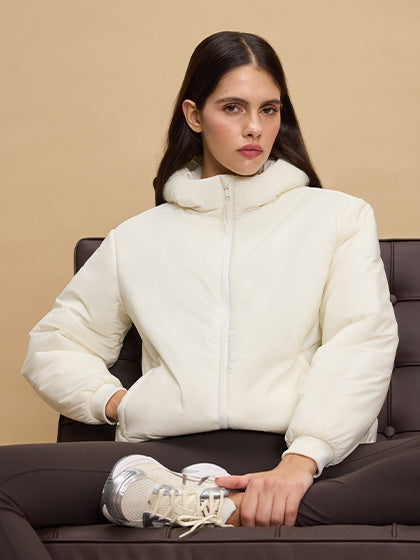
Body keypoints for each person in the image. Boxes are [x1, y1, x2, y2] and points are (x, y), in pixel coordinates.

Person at [2, 30, 416, 559]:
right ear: (194, 115)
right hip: (164, 459)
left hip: (297, 455)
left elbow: (361, 341)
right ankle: (201, 499)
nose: (254, 127)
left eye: (269, 110)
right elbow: (54, 344)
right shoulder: (138, 238)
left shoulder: (338, 217)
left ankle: (224, 508)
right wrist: (118, 403)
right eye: (233, 108)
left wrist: (301, 460)